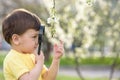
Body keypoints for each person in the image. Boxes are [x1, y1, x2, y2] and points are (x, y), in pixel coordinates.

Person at [2, 8, 64, 80]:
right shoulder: (12, 59)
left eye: (38, 36)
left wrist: (56, 59)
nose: (38, 41)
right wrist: (39, 63)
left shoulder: (32, 56)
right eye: (34, 36)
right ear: (16, 39)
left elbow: (48, 78)